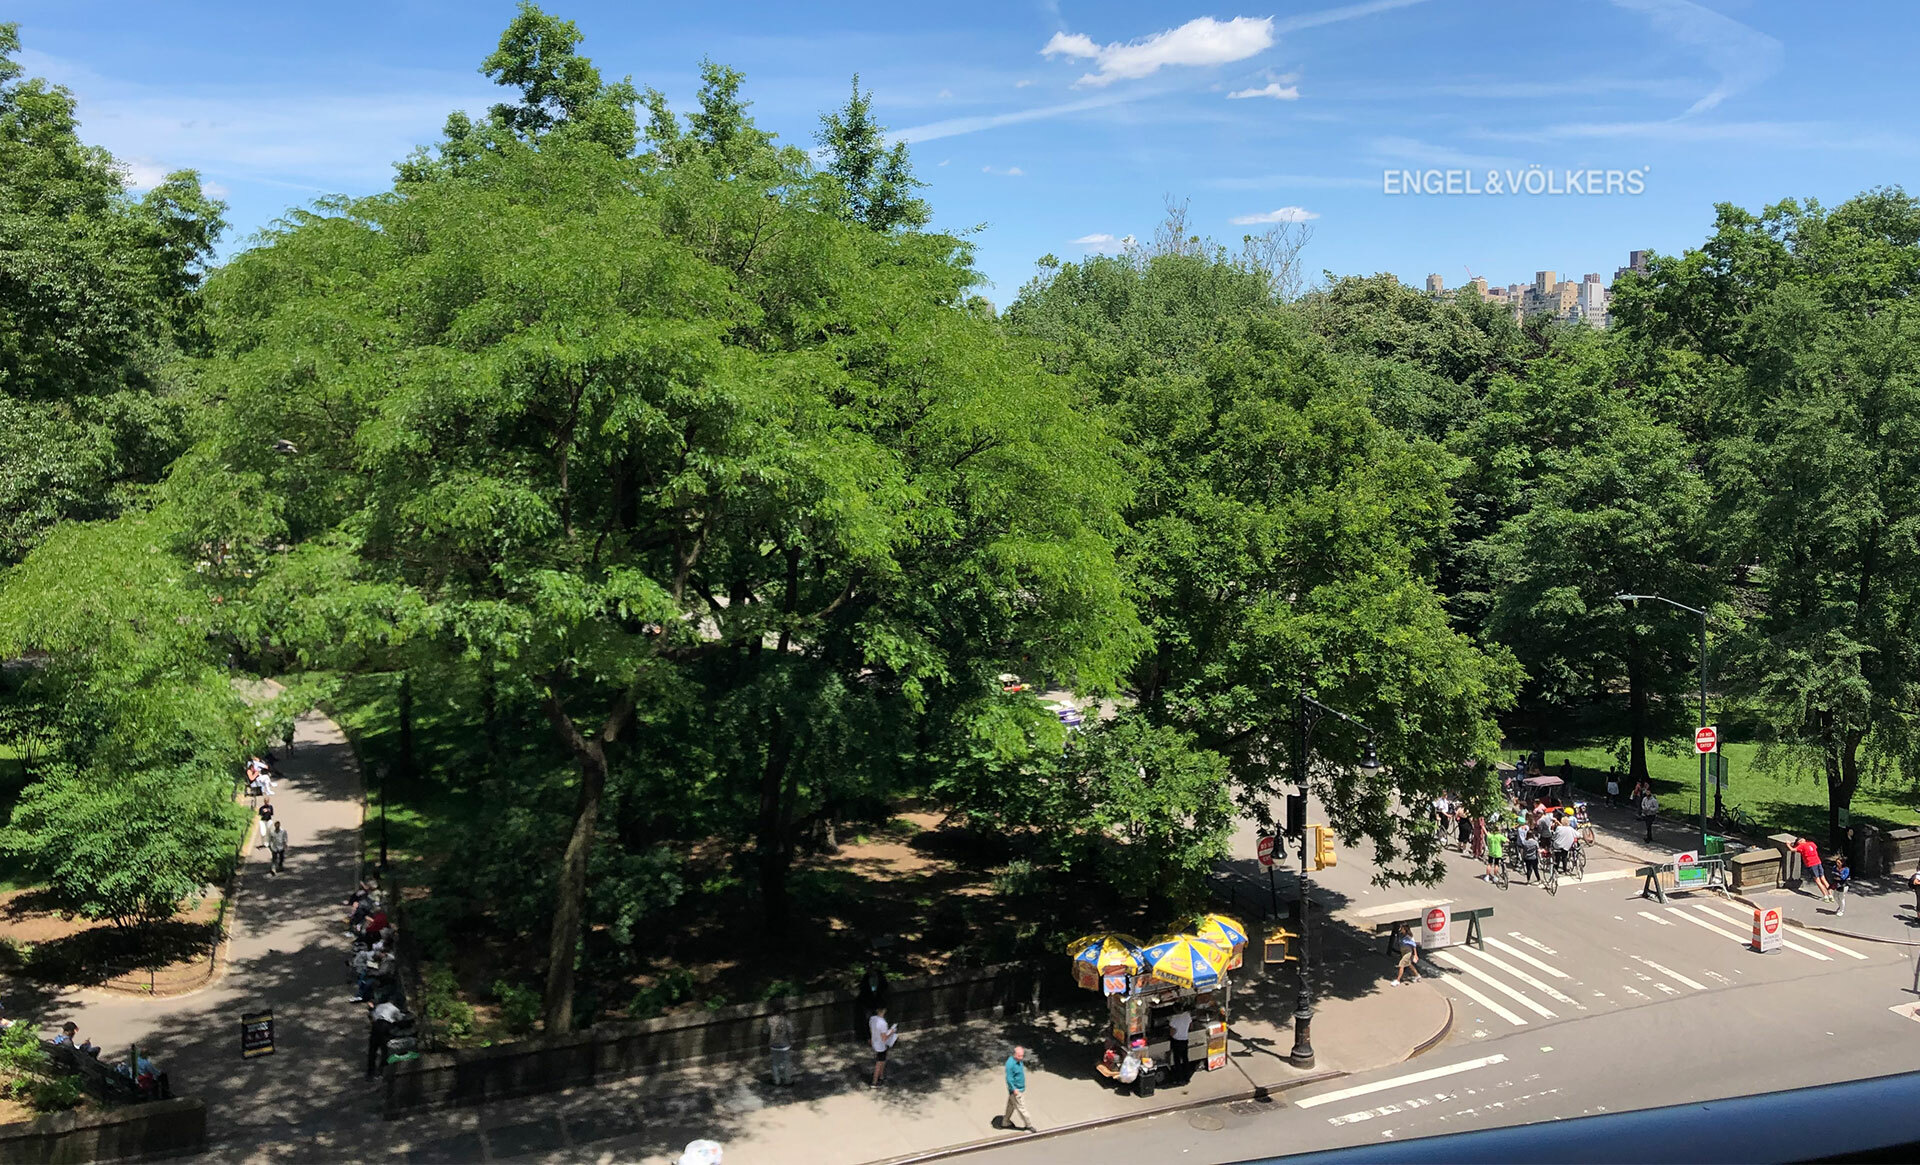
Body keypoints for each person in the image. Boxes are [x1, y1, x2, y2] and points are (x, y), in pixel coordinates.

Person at [1003, 1045, 1038, 1132]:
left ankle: (1005, 1122)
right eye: (1019, 1056)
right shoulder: (1010, 1064)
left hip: (1019, 1089)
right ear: (1015, 1054)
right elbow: (1009, 1078)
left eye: (1022, 1056)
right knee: (1022, 1108)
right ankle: (1029, 1125)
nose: (1021, 1058)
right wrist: (1014, 1089)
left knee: (1011, 1105)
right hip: (1016, 1090)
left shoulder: (1018, 1061)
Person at [368, 1000, 404, 1079]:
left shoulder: (379, 1006)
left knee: (372, 1050)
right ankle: (381, 1071)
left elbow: (372, 1016)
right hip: (385, 1026)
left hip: (376, 1025)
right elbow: (400, 1018)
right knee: (385, 1050)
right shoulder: (394, 1008)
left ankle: (370, 1073)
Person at [1792, 836, 1832, 901]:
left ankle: (1825, 896)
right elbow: (1814, 848)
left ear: (1799, 842)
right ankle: (1830, 895)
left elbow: (1792, 850)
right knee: (1823, 879)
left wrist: (1788, 845)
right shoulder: (1811, 843)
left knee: (1818, 881)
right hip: (1818, 862)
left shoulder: (1801, 846)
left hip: (1811, 864)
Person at [868, 1005, 897, 1088]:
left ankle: (881, 1076)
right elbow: (884, 1038)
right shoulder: (883, 1023)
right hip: (881, 1046)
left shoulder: (872, 1019)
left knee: (882, 1060)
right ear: (884, 1010)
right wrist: (892, 1032)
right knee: (879, 1063)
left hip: (875, 1042)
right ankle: (874, 1082)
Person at [767, 1003, 795, 1087]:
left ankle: (776, 1080)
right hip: (785, 1045)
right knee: (787, 1063)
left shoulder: (769, 1020)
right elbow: (791, 1031)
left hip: (773, 1045)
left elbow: (765, 1031)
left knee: (775, 1063)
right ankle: (788, 1081)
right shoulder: (786, 1020)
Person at [1166, 1008, 1192, 1077]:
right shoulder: (1187, 1015)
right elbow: (1190, 1026)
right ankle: (1187, 1075)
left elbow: (1172, 1032)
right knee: (1185, 1058)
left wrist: (1169, 1035)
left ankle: (1179, 1076)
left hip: (1176, 1041)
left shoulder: (1174, 1018)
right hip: (1185, 1040)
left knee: (1177, 1060)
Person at [1831, 851, 1852, 917]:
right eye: (1837, 862)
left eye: (1839, 863)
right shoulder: (1835, 867)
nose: (1837, 864)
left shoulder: (1846, 869)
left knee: (1841, 897)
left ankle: (1841, 910)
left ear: (1842, 863)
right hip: (1836, 884)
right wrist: (1837, 876)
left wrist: (1838, 876)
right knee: (1835, 896)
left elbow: (1843, 877)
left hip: (1843, 885)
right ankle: (1840, 906)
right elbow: (1832, 874)